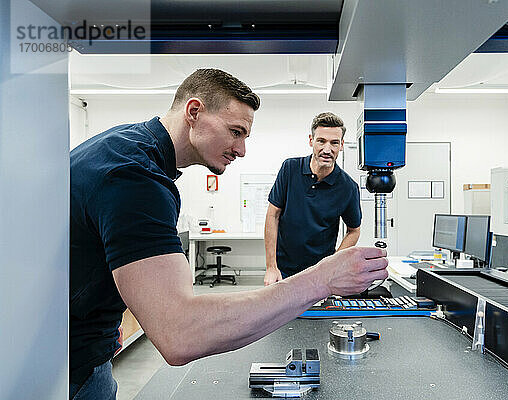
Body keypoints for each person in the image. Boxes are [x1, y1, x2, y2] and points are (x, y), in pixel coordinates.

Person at [69, 69, 388, 400]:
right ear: (194, 112)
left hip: (79, 347)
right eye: (235, 132)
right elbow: (179, 333)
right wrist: (324, 279)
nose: (241, 149)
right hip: (70, 367)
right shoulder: (135, 177)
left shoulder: (127, 148)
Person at [263, 112, 362, 286]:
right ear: (311, 141)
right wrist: (271, 266)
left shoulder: (348, 187)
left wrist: (332, 265)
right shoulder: (290, 169)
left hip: (320, 275)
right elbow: (273, 215)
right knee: (281, 314)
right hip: (283, 271)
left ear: (342, 145)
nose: (327, 149)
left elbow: (354, 230)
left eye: (334, 143)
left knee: (316, 314)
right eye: (321, 141)